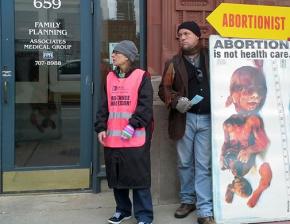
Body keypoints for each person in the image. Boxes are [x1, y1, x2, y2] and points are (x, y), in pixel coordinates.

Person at [158, 21, 215, 224]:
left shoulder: (212, 57)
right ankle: (187, 200)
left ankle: (205, 209)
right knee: (184, 163)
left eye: (186, 33)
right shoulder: (173, 63)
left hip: (209, 119)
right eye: (179, 34)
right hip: (185, 119)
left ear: (198, 36)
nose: (182, 37)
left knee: (203, 165)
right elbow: (163, 90)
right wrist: (175, 101)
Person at [95, 40, 154, 224]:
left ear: (128, 57)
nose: (113, 55)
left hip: (135, 137)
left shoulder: (142, 76)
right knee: (116, 176)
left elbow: (145, 106)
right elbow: (104, 106)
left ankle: (144, 215)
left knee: (139, 178)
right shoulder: (109, 77)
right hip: (113, 138)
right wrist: (101, 127)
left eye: (117, 53)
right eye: (114, 52)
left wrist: (133, 124)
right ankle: (122, 210)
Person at [220, 63, 272, 208]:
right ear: (234, 95)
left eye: (259, 92)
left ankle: (258, 190)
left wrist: (248, 151)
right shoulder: (228, 123)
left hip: (251, 156)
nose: (256, 95)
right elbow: (226, 142)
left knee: (265, 173)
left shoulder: (252, 120)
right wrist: (222, 154)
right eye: (248, 90)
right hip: (245, 162)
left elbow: (263, 142)